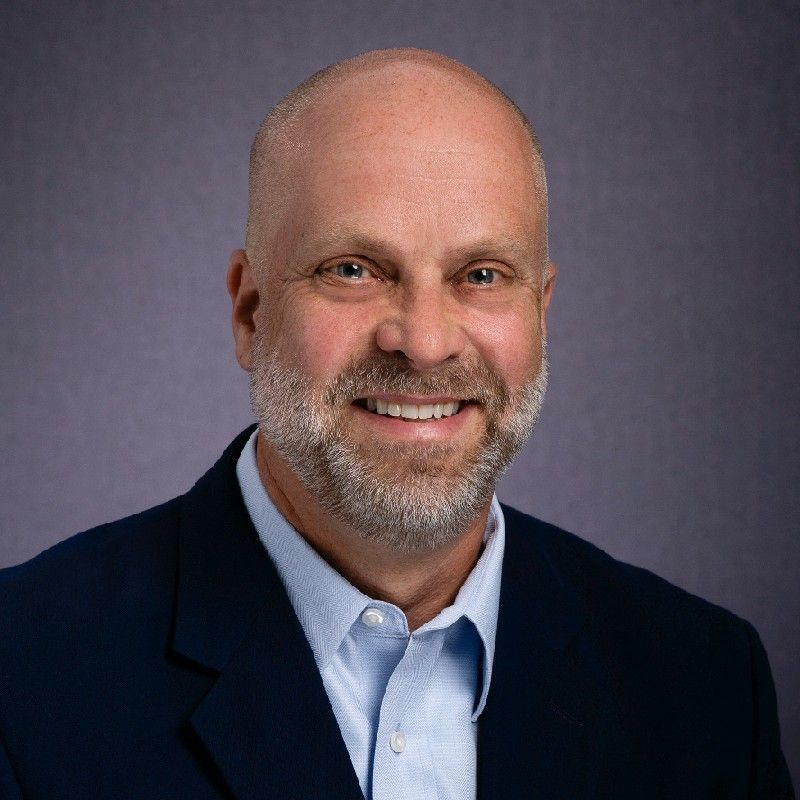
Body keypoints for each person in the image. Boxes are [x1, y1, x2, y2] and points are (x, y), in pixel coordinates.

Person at [0, 48, 793, 800]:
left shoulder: (707, 687)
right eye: (353, 270)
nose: (423, 340)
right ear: (250, 312)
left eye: (481, 276)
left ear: (540, 316)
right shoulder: (25, 673)